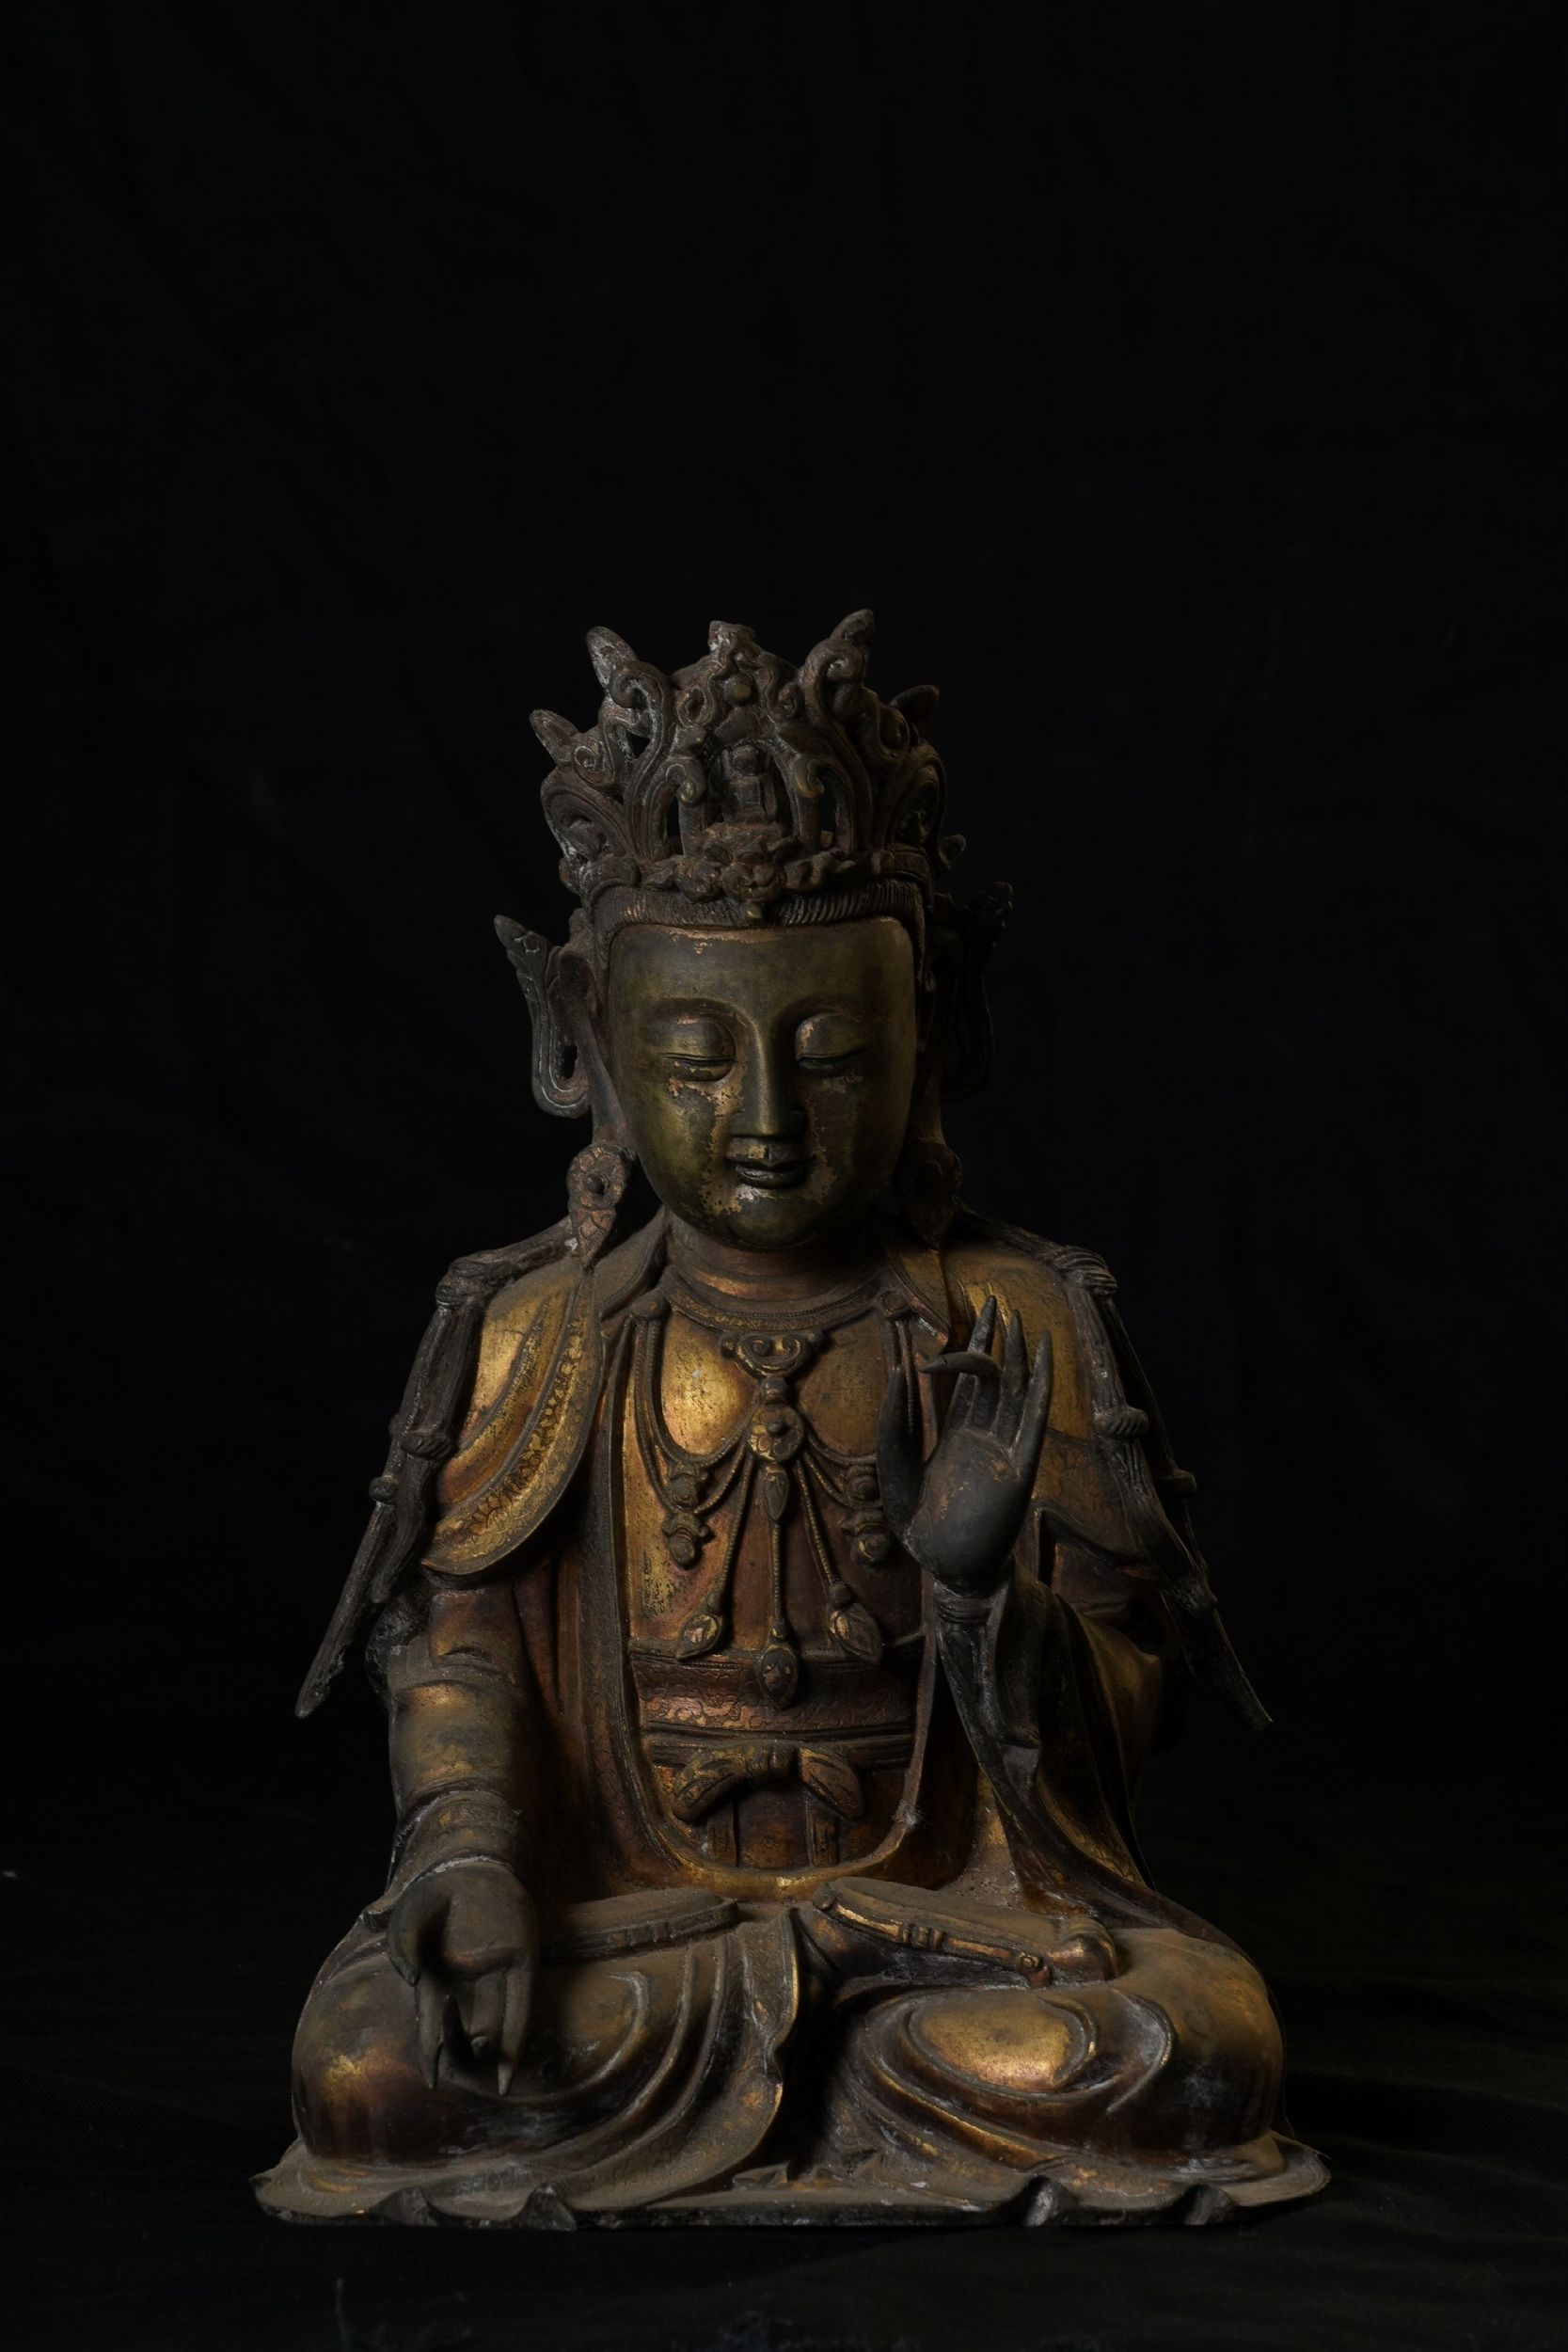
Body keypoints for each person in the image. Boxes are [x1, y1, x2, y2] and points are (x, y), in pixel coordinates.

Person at [257, 612, 1325, 2226]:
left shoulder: (1013, 1319)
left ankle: (839, 2061)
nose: (763, 1118)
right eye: (694, 1056)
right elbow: (460, 1653)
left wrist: (987, 1596)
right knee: (371, 2066)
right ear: (582, 1042)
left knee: (1189, 2044)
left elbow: (1128, 1705)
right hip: (638, 1934)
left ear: (935, 1035)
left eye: (832, 1054)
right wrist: (470, 1863)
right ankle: (816, 2070)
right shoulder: (537, 1332)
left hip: (946, 1928)